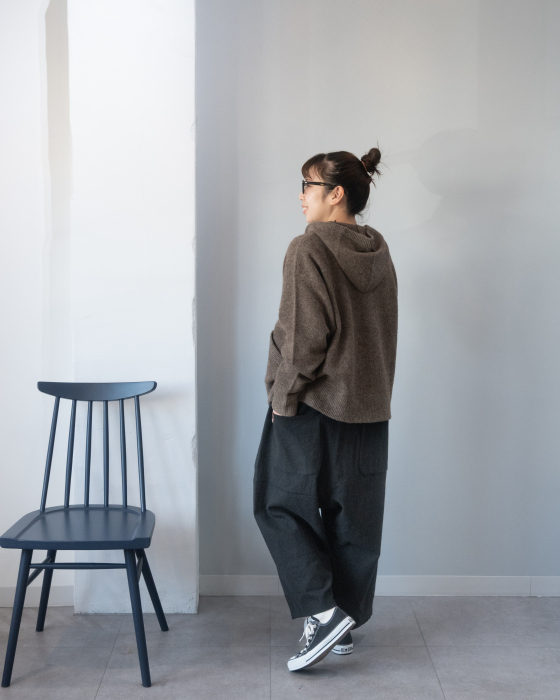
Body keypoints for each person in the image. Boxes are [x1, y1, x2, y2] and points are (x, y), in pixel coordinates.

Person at [253, 146, 398, 671]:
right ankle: (344, 623)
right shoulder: (377, 250)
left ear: (336, 194)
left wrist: (283, 396)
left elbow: (304, 339)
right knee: (353, 517)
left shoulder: (307, 247)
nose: (301, 196)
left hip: (313, 403)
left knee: (278, 504)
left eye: (308, 186)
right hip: (369, 407)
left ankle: (321, 612)